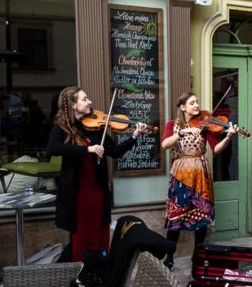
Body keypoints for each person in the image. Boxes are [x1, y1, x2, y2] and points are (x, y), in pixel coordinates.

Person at [47, 86, 146, 262]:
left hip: (98, 191)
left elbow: (114, 151)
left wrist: (134, 136)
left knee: (100, 232)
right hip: (78, 194)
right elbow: (53, 148)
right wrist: (87, 149)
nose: (90, 102)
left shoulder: (95, 128)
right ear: (73, 105)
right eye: (84, 99)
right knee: (82, 234)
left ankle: (99, 270)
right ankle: (80, 273)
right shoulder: (63, 127)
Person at [161, 91, 239, 269]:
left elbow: (216, 149)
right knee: (175, 217)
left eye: (197, 102)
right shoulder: (172, 125)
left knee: (201, 217)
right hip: (180, 176)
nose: (197, 105)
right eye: (192, 103)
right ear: (182, 107)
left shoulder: (205, 125)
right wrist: (182, 132)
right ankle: (170, 256)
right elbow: (165, 145)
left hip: (201, 175)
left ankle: (198, 256)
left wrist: (228, 137)